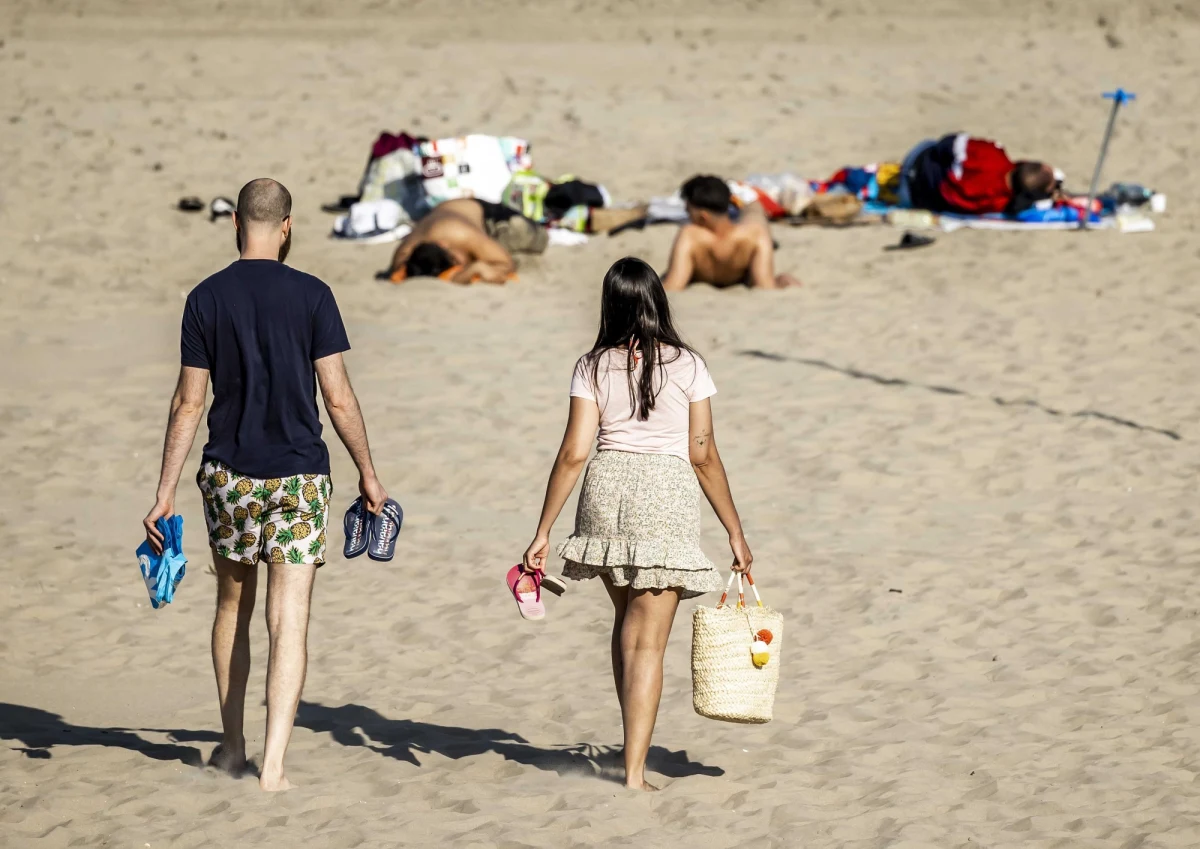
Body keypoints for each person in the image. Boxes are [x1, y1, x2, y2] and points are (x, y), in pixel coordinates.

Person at [142, 178, 390, 792]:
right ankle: (273, 765)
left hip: (227, 474)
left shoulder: (205, 298)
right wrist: (368, 470)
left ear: (236, 226)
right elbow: (337, 394)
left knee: (233, 606)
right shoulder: (313, 295)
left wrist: (165, 490)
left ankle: (232, 746)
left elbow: (186, 403)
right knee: (291, 616)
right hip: (301, 475)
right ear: (286, 227)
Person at [521, 256, 754, 791]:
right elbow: (703, 454)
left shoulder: (591, 364)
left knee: (627, 624)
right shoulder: (689, 364)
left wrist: (543, 530)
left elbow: (574, 453)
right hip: (663, 495)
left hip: (605, 488)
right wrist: (734, 530)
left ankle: (629, 755)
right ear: (657, 302)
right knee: (646, 641)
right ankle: (632, 773)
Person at [662, 175, 799, 291]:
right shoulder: (754, 234)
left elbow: (673, 285)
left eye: (688, 211)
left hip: (702, 275)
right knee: (754, 213)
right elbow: (764, 285)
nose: (688, 216)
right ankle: (750, 202)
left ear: (703, 217)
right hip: (740, 272)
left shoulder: (691, 236)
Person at [385, 198, 548, 284]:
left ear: (444, 245)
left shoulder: (462, 235)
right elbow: (399, 272)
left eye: (457, 263)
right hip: (447, 210)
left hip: (484, 214)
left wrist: (472, 269)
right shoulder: (405, 251)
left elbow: (506, 264)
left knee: (537, 238)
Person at [899, 133, 1059, 216]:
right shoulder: (1001, 203)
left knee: (938, 146)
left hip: (916, 161)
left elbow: (946, 143)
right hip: (914, 198)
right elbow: (1022, 206)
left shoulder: (992, 155)